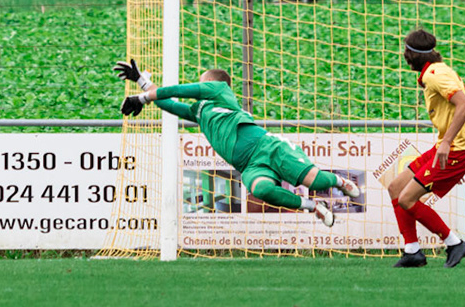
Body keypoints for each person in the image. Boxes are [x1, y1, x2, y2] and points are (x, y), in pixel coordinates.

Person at [115, 60, 361, 224]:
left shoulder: (220, 90)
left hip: (270, 148)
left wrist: (143, 96)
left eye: (204, 81)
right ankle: (312, 206)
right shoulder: (199, 111)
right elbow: (167, 101)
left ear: (214, 83)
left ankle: (340, 182)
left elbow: (177, 89)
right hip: (250, 165)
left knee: (317, 180)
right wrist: (141, 81)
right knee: (261, 190)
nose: (201, 85)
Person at [385, 29, 465, 269]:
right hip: (448, 145)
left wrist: (446, 142)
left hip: (457, 149)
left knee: (407, 198)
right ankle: (412, 251)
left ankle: (454, 243)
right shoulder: (437, 71)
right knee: (396, 187)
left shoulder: (434, 76)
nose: (404, 56)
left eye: (406, 51)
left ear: (414, 54)